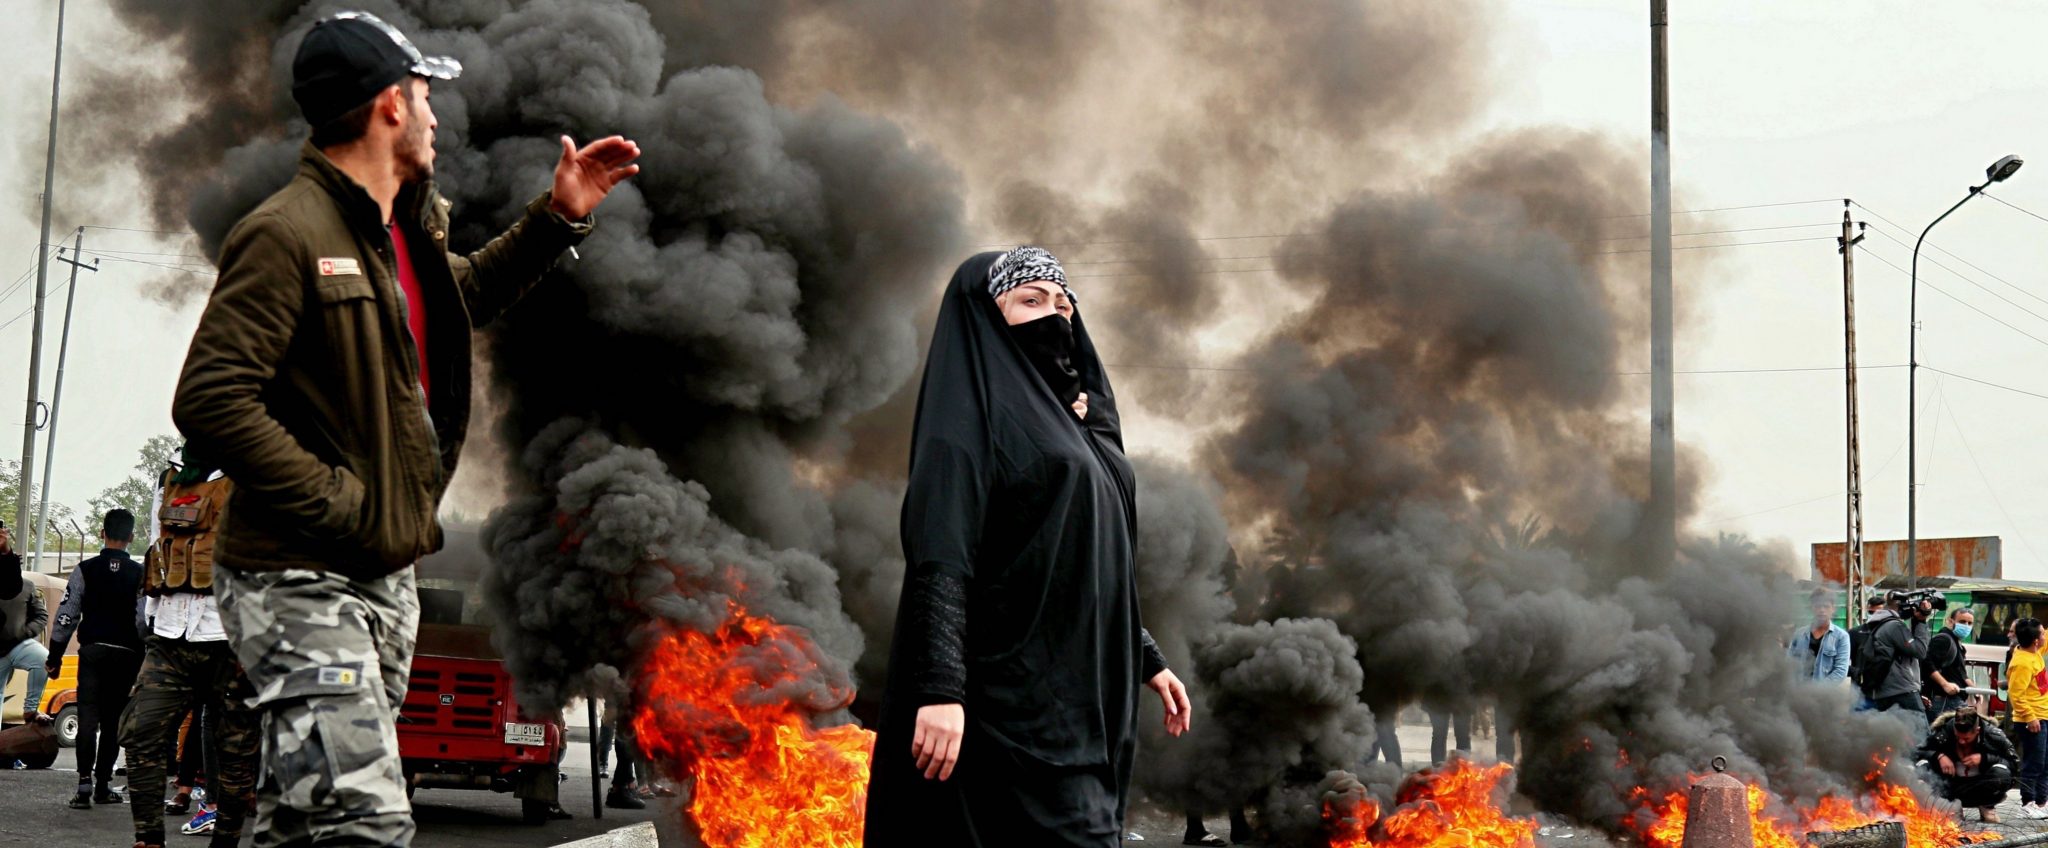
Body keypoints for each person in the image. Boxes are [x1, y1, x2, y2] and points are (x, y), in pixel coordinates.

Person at [168, 11, 637, 846]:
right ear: (388, 104)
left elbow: (466, 298)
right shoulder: (287, 234)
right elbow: (211, 397)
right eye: (425, 96)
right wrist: (342, 503)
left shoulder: (397, 241)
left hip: (383, 576)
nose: (433, 116)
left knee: (301, 819)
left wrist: (558, 218)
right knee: (366, 820)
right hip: (296, 574)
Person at [863, 247, 1192, 847]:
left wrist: (1144, 653)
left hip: (1086, 704)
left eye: (1064, 304)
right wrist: (939, 690)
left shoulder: (1078, 423)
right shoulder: (966, 427)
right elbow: (943, 559)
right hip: (1008, 711)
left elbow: (1078, 553)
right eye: (1031, 301)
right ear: (987, 318)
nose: (1057, 317)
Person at [118, 450, 259, 848]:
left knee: (235, 751)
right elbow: (155, 546)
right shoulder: (170, 480)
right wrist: (150, 616)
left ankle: (226, 840)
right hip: (170, 636)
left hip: (232, 638)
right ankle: (149, 839)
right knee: (140, 731)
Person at [47, 509, 146, 809]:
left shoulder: (84, 570)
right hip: (127, 655)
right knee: (114, 720)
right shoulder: (141, 574)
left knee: (88, 717)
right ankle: (104, 784)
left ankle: (83, 785)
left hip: (92, 652)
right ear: (131, 537)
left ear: (102, 534)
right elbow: (143, 620)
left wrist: (55, 656)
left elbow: (67, 615)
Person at [1915, 708, 2015, 823]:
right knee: (1922, 767)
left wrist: (1985, 758)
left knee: (2002, 773)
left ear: (1977, 730)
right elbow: (1919, 752)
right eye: (1958, 737)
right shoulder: (1943, 732)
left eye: (1966, 738)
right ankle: (1950, 805)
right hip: (1949, 785)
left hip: (1979, 785)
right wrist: (1939, 756)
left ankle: (1987, 805)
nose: (1962, 742)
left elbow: (2013, 763)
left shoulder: (1993, 735)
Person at [0, 521, 51, 729]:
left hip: (18, 645)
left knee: (44, 658)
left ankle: (30, 708)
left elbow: (41, 615)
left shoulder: (27, 586)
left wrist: (25, 632)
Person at [1857, 591, 1932, 719]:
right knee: (1922, 735)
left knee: (1897, 738)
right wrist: (1921, 621)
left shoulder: (1880, 624)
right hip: (1901, 691)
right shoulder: (1894, 626)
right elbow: (1920, 651)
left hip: (1886, 692)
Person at [2008, 618, 2048, 819]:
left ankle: (2042, 801)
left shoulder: (2034, 653)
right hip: (2031, 719)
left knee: (2044, 761)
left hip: (2043, 715)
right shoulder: (2022, 662)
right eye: (2042, 634)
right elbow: (2016, 695)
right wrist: (2031, 717)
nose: (2044, 636)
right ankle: (2027, 802)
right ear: (2035, 640)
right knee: (2034, 762)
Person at [1788, 588, 1851, 683]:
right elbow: (1789, 663)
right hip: (1799, 694)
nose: (1822, 610)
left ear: (1833, 609)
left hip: (1824, 695)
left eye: (1826, 606)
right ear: (1811, 608)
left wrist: (1817, 691)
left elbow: (1840, 671)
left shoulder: (1841, 637)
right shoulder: (1799, 634)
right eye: (1818, 606)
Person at [1924, 607, 1976, 722]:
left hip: (1954, 699)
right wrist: (1945, 684)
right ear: (1950, 621)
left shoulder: (1958, 644)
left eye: (1970, 623)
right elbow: (1927, 663)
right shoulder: (1944, 639)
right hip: (1943, 700)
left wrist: (1974, 690)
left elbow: (1961, 674)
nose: (1966, 626)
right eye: (1962, 622)